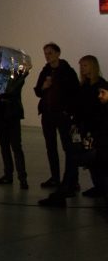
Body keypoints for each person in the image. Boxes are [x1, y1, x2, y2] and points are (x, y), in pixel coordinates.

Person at [39, 78, 108, 207]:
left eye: (103, 93)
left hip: (101, 152)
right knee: (76, 159)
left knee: (74, 160)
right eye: (99, 92)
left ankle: (63, 193)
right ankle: (65, 191)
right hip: (99, 150)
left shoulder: (103, 111)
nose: (99, 96)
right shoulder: (102, 110)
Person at [33, 42, 80, 188]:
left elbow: (75, 93)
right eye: (45, 54)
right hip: (48, 114)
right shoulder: (45, 71)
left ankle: (72, 180)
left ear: (58, 53)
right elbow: (38, 91)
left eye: (50, 53)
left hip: (63, 115)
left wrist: (68, 111)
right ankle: (55, 178)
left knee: (68, 147)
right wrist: (44, 87)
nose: (47, 56)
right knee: (51, 147)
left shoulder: (68, 71)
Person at [0, 74, 29, 189]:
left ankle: (20, 177)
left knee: (14, 147)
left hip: (10, 114)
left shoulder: (14, 77)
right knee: (7, 147)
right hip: (3, 114)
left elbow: (10, 91)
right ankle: (13, 176)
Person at [73, 55, 106, 197]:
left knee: (98, 158)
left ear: (93, 66)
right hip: (85, 128)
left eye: (85, 65)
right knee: (91, 159)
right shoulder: (84, 85)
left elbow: (102, 108)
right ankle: (98, 186)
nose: (82, 68)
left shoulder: (101, 85)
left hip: (98, 129)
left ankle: (102, 187)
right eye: (81, 66)